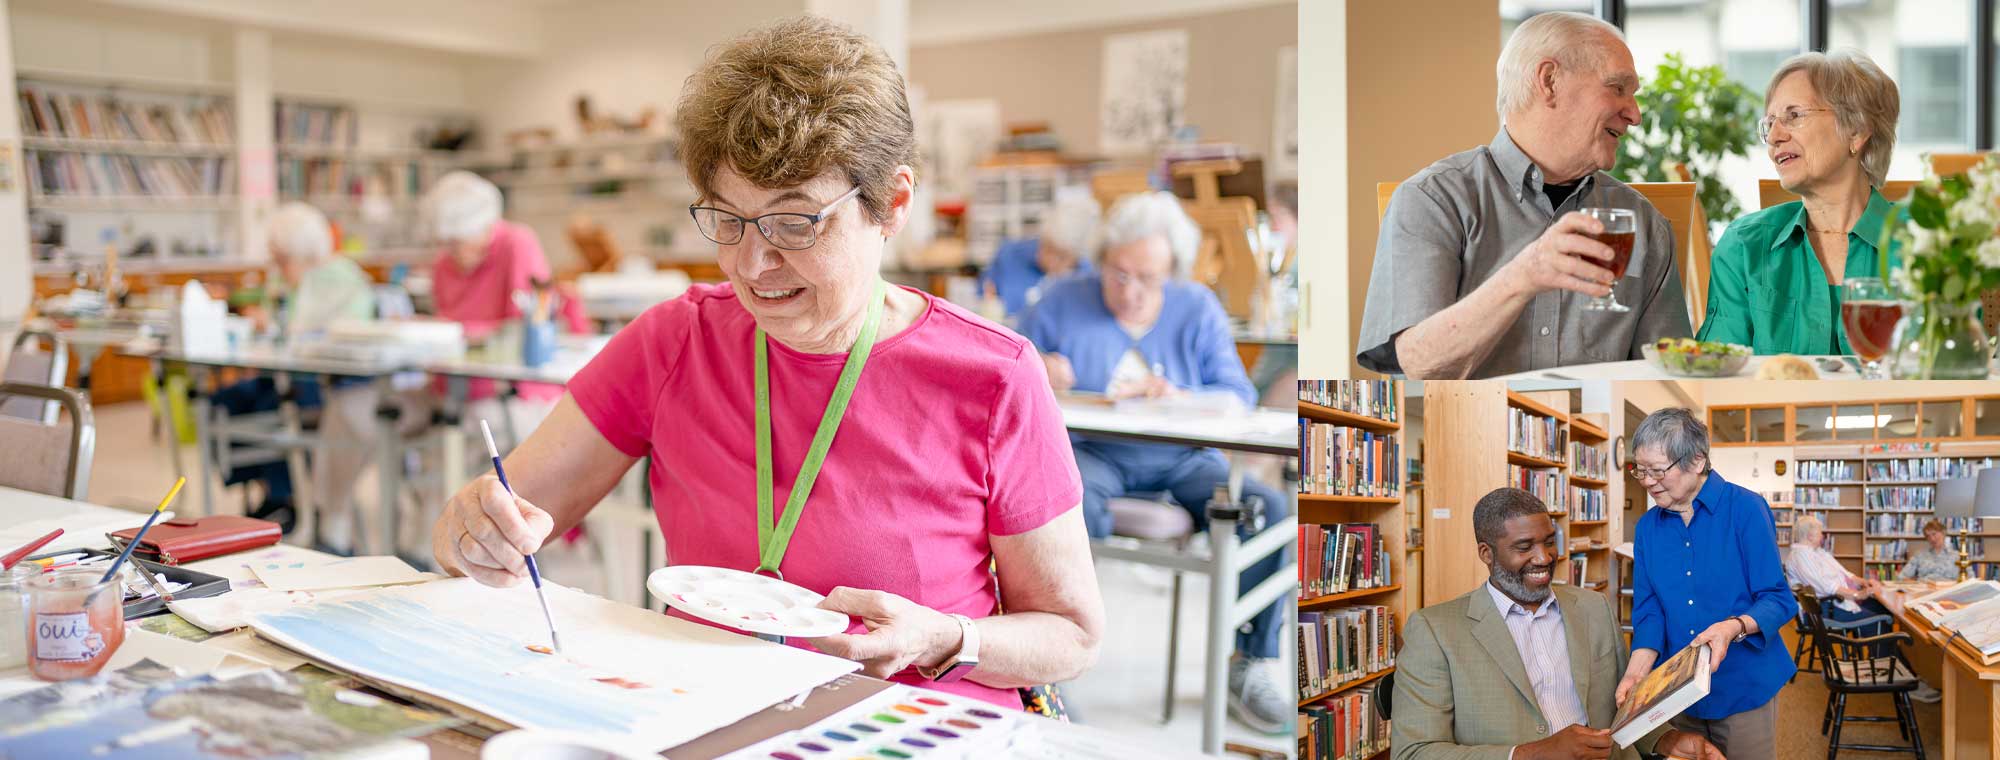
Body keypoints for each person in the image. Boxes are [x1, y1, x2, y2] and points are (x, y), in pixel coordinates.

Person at [430, 16, 1104, 713]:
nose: (753, 265)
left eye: (795, 223)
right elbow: (497, 521)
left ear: (892, 203)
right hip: (708, 712)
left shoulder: (992, 377)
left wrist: (947, 637)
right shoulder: (676, 341)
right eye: (727, 219)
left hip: (905, 723)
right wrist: (472, 531)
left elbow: (1071, 635)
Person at [1015, 190, 1292, 732]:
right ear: (1101, 261)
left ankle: (1249, 661)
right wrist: (1037, 368)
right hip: (1093, 456)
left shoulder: (1197, 307)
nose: (1131, 291)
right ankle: (1050, 661)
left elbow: (1236, 393)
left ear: (1173, 273)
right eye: (1118, 274)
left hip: (1183, 458)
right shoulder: (1060, 299)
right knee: (1056, 506)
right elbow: (1004, 363)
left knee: (1267, 506)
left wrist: (1179, 395)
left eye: (1148, 279)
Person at [1355, 11, 1689, 379]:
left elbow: (1667, 382)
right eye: (1617, 88)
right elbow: (1417, 362)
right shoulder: (1432, 200)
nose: (1635, 114)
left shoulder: (1643, 223)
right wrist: (1526, 275)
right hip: (1469, 434)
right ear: (1549, 82)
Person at [1392, 487, 1722, 760]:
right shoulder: (1435, 631)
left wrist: (1666, 740)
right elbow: (1413, 752)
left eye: (1549, 541)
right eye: (1524, 547)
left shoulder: (1594, 608)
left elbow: (1624, 707)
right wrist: (1532, 753)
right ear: (1486, 553)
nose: (1545, 557)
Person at [1697, 50, 1903, 353]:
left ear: (1856, 131)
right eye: (1769, 123)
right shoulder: (1744, 247)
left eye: (1794, 116)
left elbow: (1952, 372)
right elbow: (1719, 378)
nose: (1774, 136)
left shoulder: (1922, 246)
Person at [1620, 408, 1798, 758]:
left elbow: (1778, 598)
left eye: (1658, 470)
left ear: (1697, 460)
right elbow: (1649, 610)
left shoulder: (1746, 509)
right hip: (1676, 691)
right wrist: (1637, 672)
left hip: (1743, 684)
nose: (1647, 481)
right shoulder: (1647, 528)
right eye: (1640, 470)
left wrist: (1733, 627)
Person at [210, 202, 376, 533]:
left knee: (273, 410)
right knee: (224, 403)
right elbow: (281, 326)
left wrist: (283, 329)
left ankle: (289, 498)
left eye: (283, 259)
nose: (278, 267)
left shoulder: (340, 278)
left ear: (305, 253)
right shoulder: (286, 280)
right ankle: (272, 492)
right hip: (282, 374)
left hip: (323, 382)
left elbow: (342, 333)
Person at [1787, 515, 1942, 702]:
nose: (1823, 535)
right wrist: (1858, 595)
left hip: (1835, 603)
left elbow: (1846, 575)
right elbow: (1826, 587)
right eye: (1820, 532)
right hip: (1827, 609)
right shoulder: (1801, 556)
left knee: (1882, 609)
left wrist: (1865, 583)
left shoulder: (1817, 553)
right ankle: (1899, 675)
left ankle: (1888, 661)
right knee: (1882, 624)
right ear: (1810, 535)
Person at [978, 185, 1098, 318]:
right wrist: (988, 304)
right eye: (1047, 247)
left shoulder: (1086, 279)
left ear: (1076, 258)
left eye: (1061, 257)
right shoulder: (1010, 254)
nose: (1050, 259)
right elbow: (983, 295)